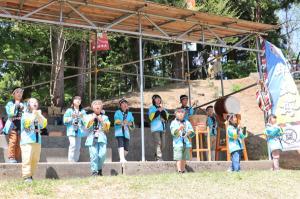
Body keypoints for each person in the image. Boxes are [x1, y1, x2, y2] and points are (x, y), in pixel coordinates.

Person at [20, 98, 47, 182]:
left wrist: (38, 115)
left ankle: (30, 176)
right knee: (27, 159)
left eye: (36, 102)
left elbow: (44, 125)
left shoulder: (38, 114)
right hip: (27, 141)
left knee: (35, 160)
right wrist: (34, 115)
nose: (35, 103)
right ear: (28, 104)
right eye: (32, 102)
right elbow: (27, 125)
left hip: (37, 141)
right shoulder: (25, 114)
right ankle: (26, 176)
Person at [84, 100, 110, 176]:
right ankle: (94, 171)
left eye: (99, 104)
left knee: (102, 155)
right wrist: (93, 118)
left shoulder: (105, 117)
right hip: (92, 138)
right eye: (95, 104)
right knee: (94, 155)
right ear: (92, 107)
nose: (97, 106)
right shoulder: (88, 116)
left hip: (101, 137)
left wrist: (101, 120)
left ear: (101, 107)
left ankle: (99, 168)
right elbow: (86, 126)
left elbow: (107, 129)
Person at [3, 87, 26, 163]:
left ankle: (16, 157)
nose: (20, 94)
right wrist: (16, 106)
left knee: (19, 142)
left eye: (21, 92)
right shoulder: (10, 103)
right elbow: (10, 114)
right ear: (13, 94)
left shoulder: (24, 104)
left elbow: (26, 115)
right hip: (12, 125)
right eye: (17, 92)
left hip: (21, 126)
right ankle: (11, 157)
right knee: (13, 141)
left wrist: (24, 108)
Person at [170, 108, 195, 173]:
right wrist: (179, 129)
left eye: (182, 112)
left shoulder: (187, 122)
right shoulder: (173, 122)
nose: (181, 113)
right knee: (178, 157)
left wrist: (188, 133)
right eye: (179, 112)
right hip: (177, 143)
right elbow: (173, 132)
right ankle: (179, 170)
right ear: (175, 114)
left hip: (186, 142)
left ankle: (183, 170)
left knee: (184, 157)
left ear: (184, 114)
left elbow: (191, 131)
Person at [63, 96, 86, 162]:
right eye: (76, 99)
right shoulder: (69, 110)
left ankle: (76, 161)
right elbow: (65, 120)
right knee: (73, 145)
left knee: (78, 147)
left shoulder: (83, 111)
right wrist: (72, 117)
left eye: (79, 99)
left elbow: (86, 122)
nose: (78, 100)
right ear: (73, 101)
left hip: (79, 131)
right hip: (71, 130)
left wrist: (82, 117)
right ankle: (71, 161)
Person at [148, 94, 169, 161]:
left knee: (163, 144)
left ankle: (156, 154)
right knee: (158, 143)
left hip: (162, 128)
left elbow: (166, 117)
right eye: (156, 98)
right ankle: (159, 158)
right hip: (155, 129)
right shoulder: (152, 108)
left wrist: (161, 110)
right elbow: (151, 117)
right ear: (154, 100)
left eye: (159, 98)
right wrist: (158, 110)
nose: (158, 99)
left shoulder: (163, 108)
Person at [114, 98, 135, 163]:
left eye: (126, 103)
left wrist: (128, 123)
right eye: (123, 104)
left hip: (126, 132)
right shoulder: (117, 112)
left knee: (126, 149)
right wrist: (122, 122)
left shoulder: (130, 113)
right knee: (121, 144)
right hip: (119, 132)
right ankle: (122, 159)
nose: (125, 105)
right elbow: (116, 120)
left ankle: (121, 157)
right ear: (120, 106)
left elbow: (132, 123)